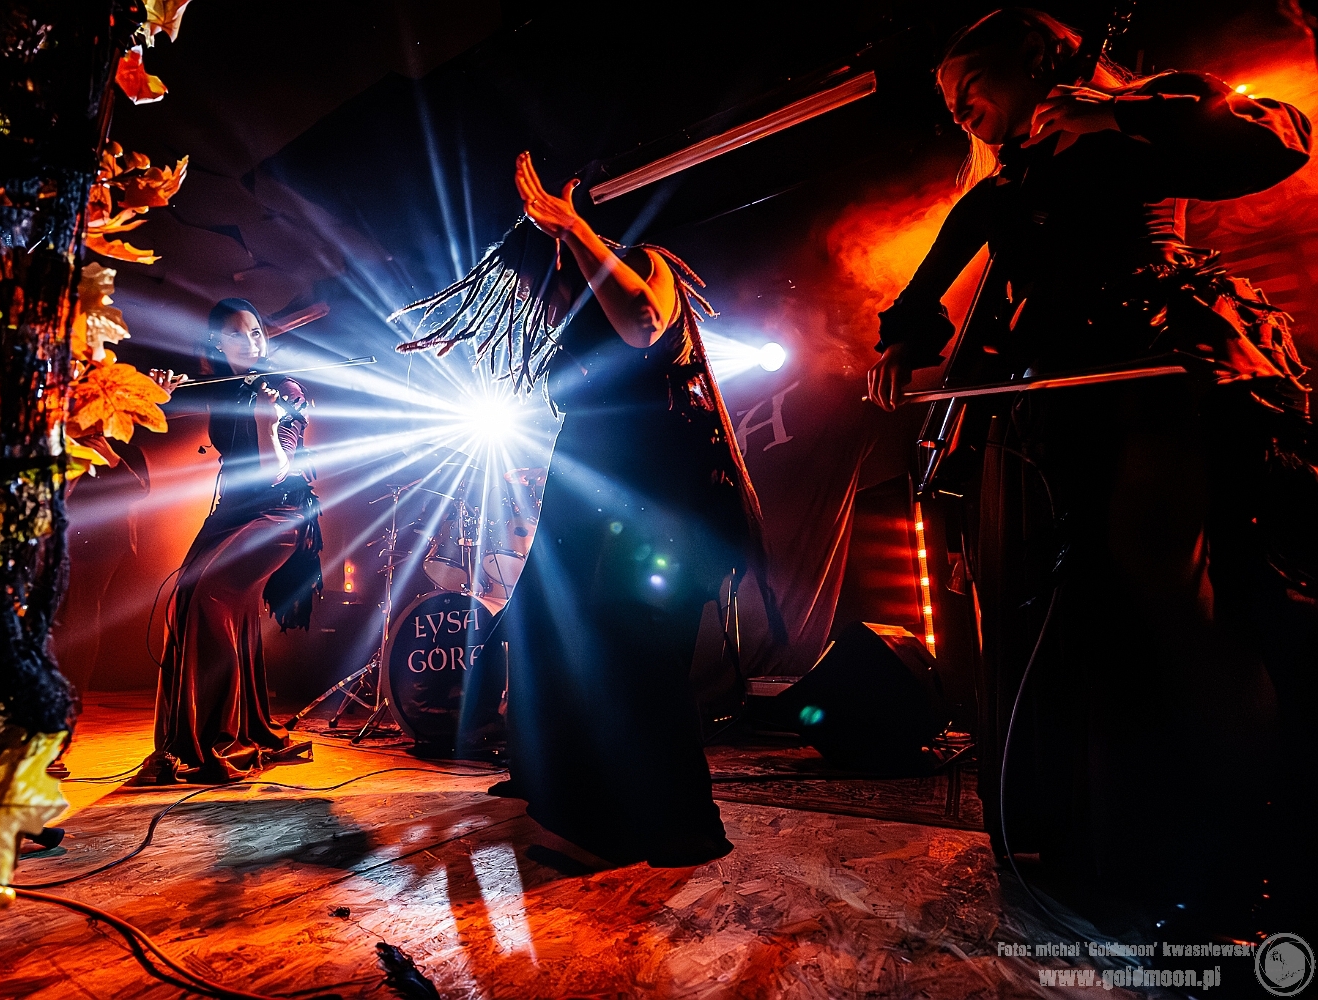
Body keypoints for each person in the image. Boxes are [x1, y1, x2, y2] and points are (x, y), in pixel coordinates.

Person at [866, 8, 1314, 934]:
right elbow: (945, 261)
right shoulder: (1009, 181)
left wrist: (1118, 113)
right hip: (1066, 402)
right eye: (948, 105)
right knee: (1101, 615)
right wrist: (905, 334)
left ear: (1034, 59)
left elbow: (1280, 135)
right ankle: (1134, 844)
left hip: (1155, 370)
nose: (959, 113)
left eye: (968, 90)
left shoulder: (1139, 114)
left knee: (1171, 592)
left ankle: (1252, 850)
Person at [395, 152, 780, 867]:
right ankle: (562, 791)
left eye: (533, 276)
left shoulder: (644, 267)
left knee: (634, 646)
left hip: (658, 491)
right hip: (592, 492)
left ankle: (675, 826)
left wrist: (573, 228)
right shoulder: (569, 317)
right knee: (542, 630)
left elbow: (643, 323)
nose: (531, 298)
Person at [133, 298, 323, 784]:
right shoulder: (221, 387)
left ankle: (215, 738)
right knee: (185, 598)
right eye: (236, 334)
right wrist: (155, 394)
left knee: (212, 596)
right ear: (218, 343)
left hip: (280, 513)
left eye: (256, 332)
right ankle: (196, 736)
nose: (250, 342)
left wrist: (267, 421)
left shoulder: (285, 390)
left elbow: (275, 471)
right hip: (231, 513)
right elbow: (161, 412)